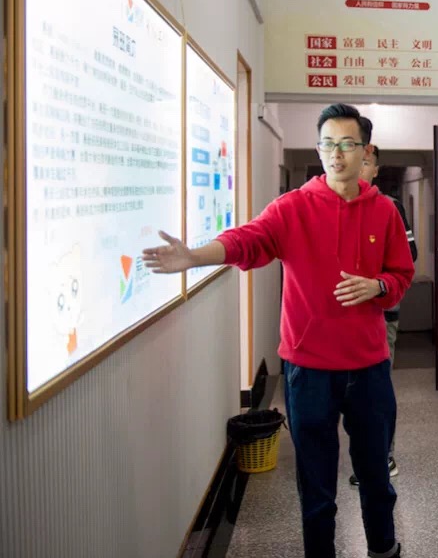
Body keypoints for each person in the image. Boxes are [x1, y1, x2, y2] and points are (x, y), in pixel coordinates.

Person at [142, 104, 413, 558]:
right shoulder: (293, 208)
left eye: (347, 144)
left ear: (365, 151)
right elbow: (246, 240)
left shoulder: (384, 211)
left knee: (375, 477)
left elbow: (401, 275)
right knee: (316, 485)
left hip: (368, 369)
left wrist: (378, 286)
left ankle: (383, 550)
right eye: (328, 144)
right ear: (319, 149)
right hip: (309, 371)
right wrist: (194, 257)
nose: (336, 154)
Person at [349, 144, 417, 485]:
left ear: (375, 170)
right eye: (356, 161)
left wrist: (376, 282)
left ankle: (381, 457)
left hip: (381, 314)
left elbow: (409, 255)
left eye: (366, 163)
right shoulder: (332, 207)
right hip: (340, 320)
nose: (359, 168)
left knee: (376, 388)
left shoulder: (390, 207)